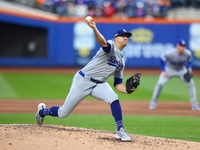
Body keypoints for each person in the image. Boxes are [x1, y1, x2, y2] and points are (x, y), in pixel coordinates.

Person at [36, 17, 136, 141]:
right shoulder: (111, 46)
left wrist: (127, 90)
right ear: (116, 38)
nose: (126, 37)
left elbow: (118, 83)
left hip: (99, 84)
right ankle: (41, 112)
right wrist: (94, 28)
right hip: (83, 80)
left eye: (127, 36)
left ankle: (120, 130)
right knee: (63, 113)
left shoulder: (121, 61)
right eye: (123, 36)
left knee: (114, 98)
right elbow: (103, 43)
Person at [149, 39, 200, 110]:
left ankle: (194, 105)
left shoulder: (187, 53)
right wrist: (163, 71)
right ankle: (153, 103)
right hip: (169, 69)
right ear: (177, 46)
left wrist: (190, 68)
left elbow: (190, 61)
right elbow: (161, 60)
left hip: (181, 70)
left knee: (191, 83)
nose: (183, 47)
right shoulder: (170, 53)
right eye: (181, 46)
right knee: (160, 84)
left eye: (184, 46)